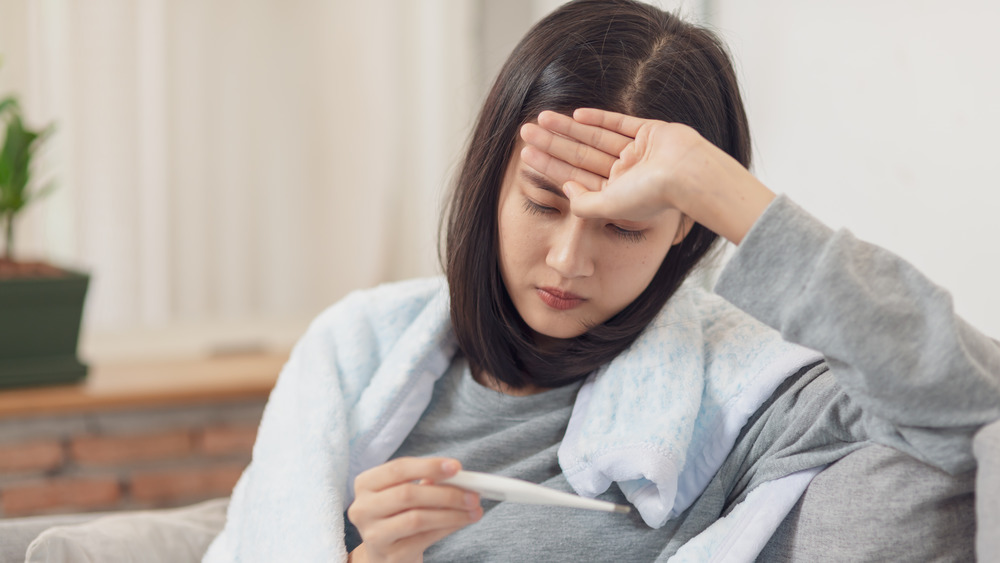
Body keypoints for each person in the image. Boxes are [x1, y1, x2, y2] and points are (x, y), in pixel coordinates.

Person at [203, 1, 1000, 561]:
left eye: (625, 226)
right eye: (544, 203)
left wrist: (729, 195)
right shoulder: (357, 354)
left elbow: (973, 407)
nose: (567, 262)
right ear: (492, 181)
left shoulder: (745, 395)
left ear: (684, 227)